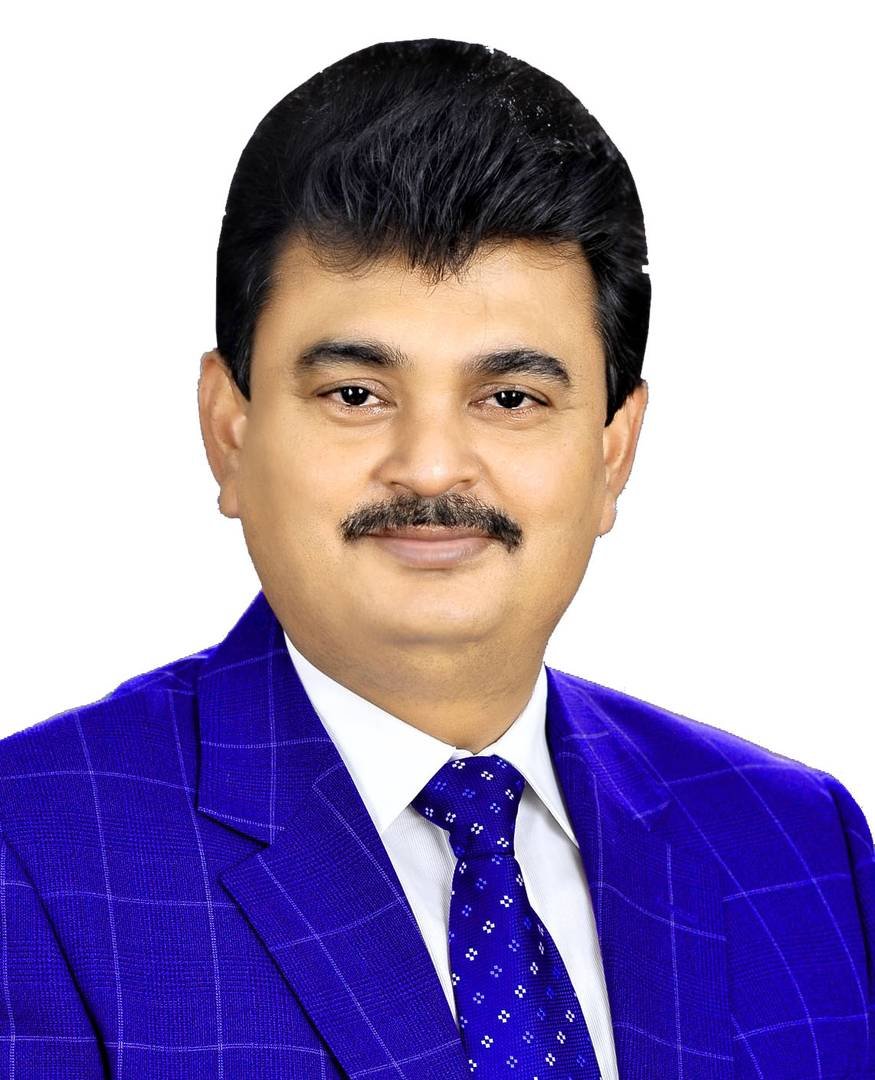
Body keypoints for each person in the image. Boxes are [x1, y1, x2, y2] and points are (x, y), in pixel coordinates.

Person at [1, 37, 871, 1080]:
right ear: (229, 432)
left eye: (509, 397)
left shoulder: (799, 846)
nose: (428, 466)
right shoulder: (33, 854)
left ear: (612, 452)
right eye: (355, 394)